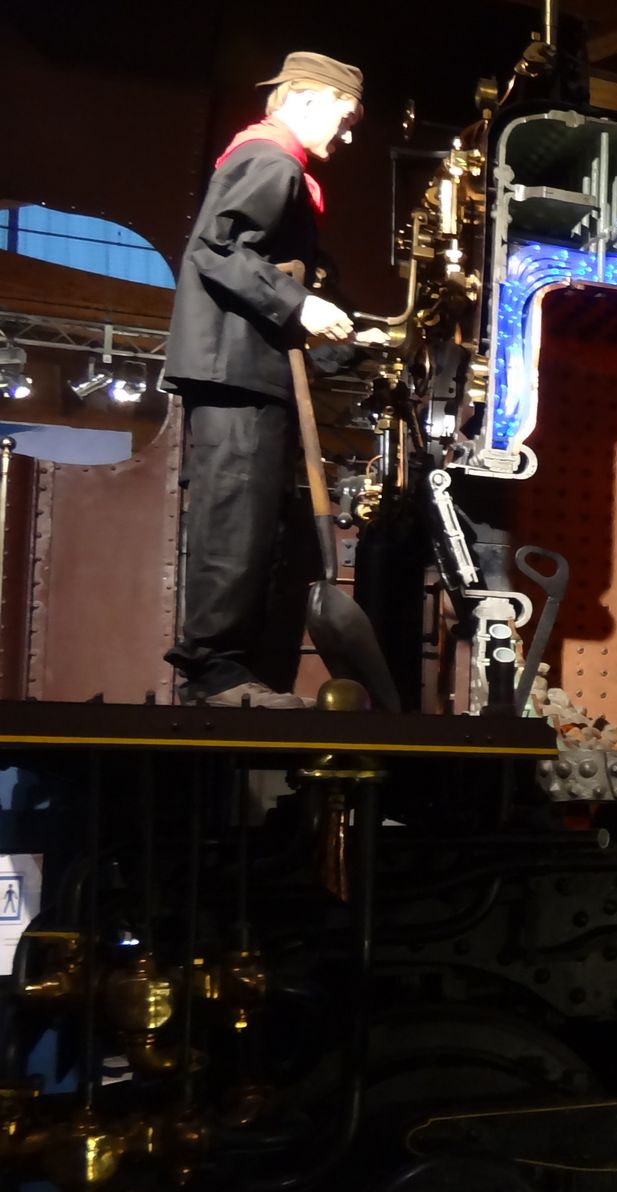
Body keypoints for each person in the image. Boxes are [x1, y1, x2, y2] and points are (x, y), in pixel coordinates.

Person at [162, 52, 373, 708]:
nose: (346, 138)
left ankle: (239, 669)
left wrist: (326, 327)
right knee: (235, 516)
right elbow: (217, 248)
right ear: (306, 97)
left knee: (255, 521)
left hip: (249, 366)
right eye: (344, 119)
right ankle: (214, 670)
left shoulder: (280, 168)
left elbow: (268, 265)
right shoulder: (270, 161)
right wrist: (300, 306)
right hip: (236, 370)